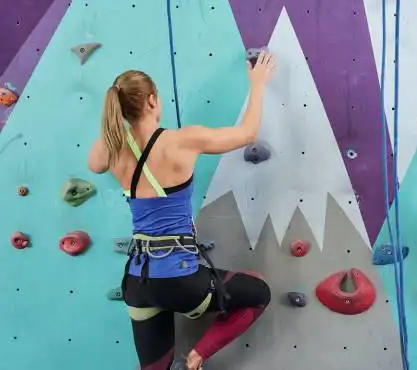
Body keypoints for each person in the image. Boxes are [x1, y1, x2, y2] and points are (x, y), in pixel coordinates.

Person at [87, 51, 277, 370]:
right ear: (152, 101)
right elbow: (247, 134)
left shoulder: (115, 151)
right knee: (258, 291)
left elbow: (94, 162)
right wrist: (257, 85)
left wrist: (115, 120)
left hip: (137, 282)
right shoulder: (182, 140)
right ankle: (198, 354)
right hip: (178, 279)